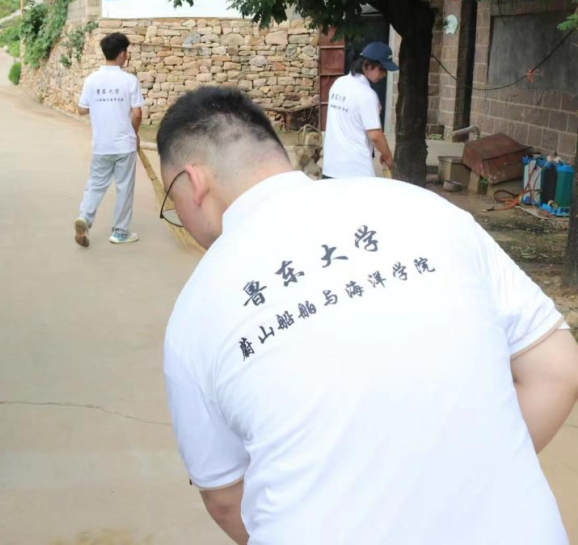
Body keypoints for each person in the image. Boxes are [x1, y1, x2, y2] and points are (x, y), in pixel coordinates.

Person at [156, 86, 578, 544]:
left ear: (194, 181)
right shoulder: (424, 209)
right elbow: (558, 371)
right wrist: (456, 481)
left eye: (171, 202)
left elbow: (225, 499)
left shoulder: (196, 310)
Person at [74, 32, 145, 247]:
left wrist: (99, 105)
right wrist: (135, 135)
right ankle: (120, 232)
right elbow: (137, 114)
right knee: (124, 187)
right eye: (127, 53)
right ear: (122, 54)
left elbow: (82, 109)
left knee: (96, 184)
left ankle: (85, 218)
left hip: (102, 145)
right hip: (124, 145)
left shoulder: (91, 80)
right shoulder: (129, 80)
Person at [322, 41, 396, 178]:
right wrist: (387, 156)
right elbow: (375, 135)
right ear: (367, 65)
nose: (384, 74)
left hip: (330, 167)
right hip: (356, 172)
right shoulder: (367, 95)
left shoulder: (338, 84)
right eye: (382, 69)